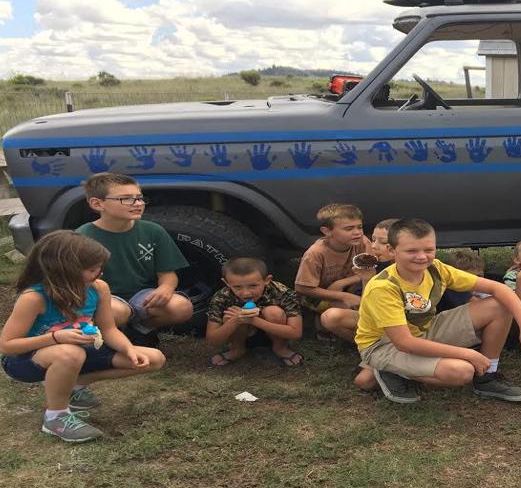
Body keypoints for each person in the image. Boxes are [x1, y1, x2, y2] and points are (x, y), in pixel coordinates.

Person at [356, 219, 521, 404]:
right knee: (461, 372)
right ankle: (391, 370)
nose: (422, 256)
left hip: (423, 329)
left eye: (429, 250)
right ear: (392, 250)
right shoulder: (383, 287)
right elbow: (404, 343)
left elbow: (500, 289)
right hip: (384, 345)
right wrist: (468, 354)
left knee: (500, 304)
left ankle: (488, 378)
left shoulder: (436, 268)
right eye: (412, 250)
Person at [0, 231, 166, 442]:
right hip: (24, 361)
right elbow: (7, 346)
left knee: (154, 359)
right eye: (92, 269)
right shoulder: (34, 298)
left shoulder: (98, 289)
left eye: (100, 268)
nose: (99, 274)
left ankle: (71, 384)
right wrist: (56, 338)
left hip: (78, 352)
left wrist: (129, 349)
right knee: (69, 353)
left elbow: (109, 329)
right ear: (64, 270)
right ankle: (56, 417)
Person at [76, 172, 192, 345]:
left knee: (181, 307)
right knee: (117, 311)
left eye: (139, 198)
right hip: (106, 298)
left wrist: (166, 288)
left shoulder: (153, 231)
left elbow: (168, 274)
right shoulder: (82, 237)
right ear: (97, 204)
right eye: (126, 199)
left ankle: (140, 330)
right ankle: (109, 335)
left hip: (142, 297)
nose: (137, 204)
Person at [205, 257, 303, 367]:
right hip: (241, 334)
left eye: (253, 285)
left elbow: (296, 333)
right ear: (226, 283)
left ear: (267, 280)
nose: (246, 293)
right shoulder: (221, 297)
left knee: (274, 312)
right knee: (229, 316)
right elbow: (212, 340)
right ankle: (237, 349)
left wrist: (253, 320)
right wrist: (235, 320)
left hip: (277, 332)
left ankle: (280, 347)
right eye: (237, 287)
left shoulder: (283, 292)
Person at [296, 203, 371, 337]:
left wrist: (341, 283)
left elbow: (370, 271)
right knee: (346, 313)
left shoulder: (363, 243)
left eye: (359, 227)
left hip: (348, 289)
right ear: (327, 231)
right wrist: (343, 296)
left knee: (370, 308)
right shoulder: (315, 253)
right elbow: (302, 288)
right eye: (349, 228)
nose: (357, 232)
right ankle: (321, 323)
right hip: (318, 295)